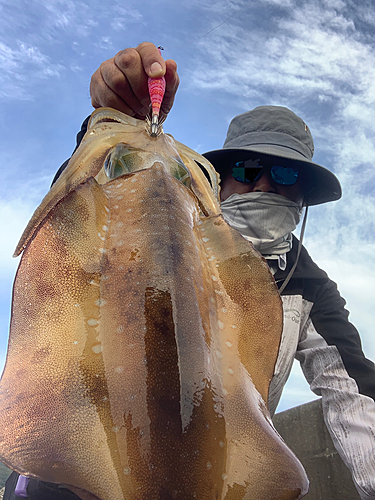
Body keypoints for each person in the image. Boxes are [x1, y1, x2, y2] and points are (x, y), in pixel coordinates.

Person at [5, 43, 375, 500]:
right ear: (221, 177)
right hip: (68, 472)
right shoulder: (159, 216)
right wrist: (108, 122)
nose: (263, 184)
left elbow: (356, 391)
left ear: (303, 194)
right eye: (248, 168)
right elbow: (77, 215)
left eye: (284, 176)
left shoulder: (309, 285)